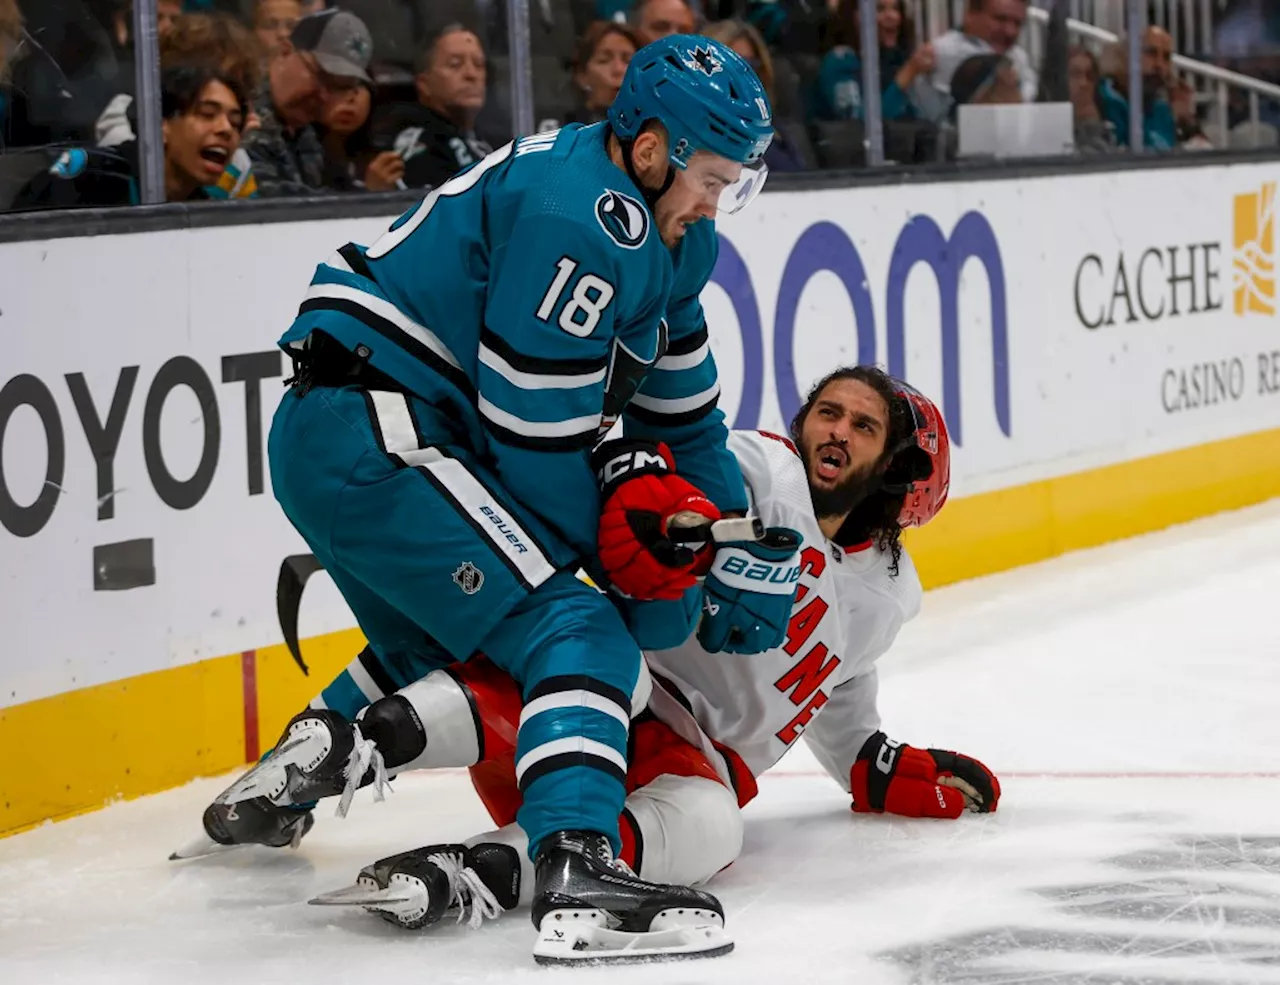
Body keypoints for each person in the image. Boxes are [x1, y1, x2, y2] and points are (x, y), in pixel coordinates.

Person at [179, 34, 784, 964]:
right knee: (577, 632)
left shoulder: (671, 237)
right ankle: (577, 863)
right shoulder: (582, 221)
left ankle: (285, 780)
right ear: (653, 148)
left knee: (460, 654)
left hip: (358, 428)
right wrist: (649, 578)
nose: (718, 203)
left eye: (737, 184)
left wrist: (719, 542)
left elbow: (692, 426)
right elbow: (535, 449)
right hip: (374, 429)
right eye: (711, 177)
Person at [304, 367, 1001, 934]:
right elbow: (655, 467)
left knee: (717, 826)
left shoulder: (887, 597)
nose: (836, 430)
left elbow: (840, 693)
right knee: (583, 671)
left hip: (685, 768)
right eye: (828, 411)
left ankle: (483, 868)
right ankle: (349, 745)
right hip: (609, 698)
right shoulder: (761, 470)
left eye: (862, 424)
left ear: (897, 470)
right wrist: (668, 512)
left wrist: (873, 766)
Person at [11, 60, 248, 209]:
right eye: (207, 114)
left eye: (235, 123)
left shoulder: (205, 211)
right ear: (160, 125)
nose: (226, 129)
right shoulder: (90, 178)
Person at [244, 7, 372, 195]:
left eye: (340, 88)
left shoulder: (307, 133)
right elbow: (270, 208)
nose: (325, 96)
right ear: (285, 52)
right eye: (321, 76)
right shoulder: (243, 116)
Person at [378, 23, 491, 190]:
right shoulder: (421, 144)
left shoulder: (494, 140)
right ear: (424, 84)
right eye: (455, 64)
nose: (471, 74)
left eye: (479, 65)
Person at [813, 0, 938, 123]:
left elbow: (928, 118)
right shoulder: (839, 61)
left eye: (895, 8)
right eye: (880, 9)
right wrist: (905, 76)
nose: (892, 16)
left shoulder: (897, 58)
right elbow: (858, 124)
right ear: (855, 16)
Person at [567, 20, 638, 125]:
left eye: (628, 61)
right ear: (582, 76)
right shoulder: (564, 134)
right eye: (604, 60)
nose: (618, 69)